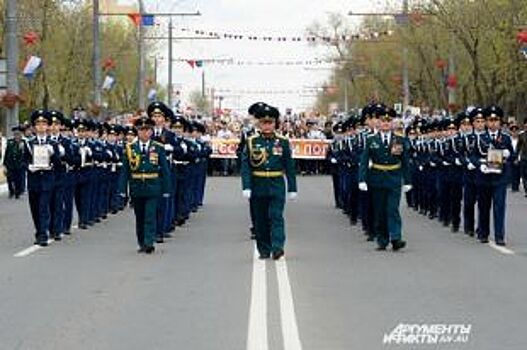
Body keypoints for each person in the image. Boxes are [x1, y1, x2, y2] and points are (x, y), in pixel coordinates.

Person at [241, 103, 297, 260]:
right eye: (264, 123)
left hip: (276, 183)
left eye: (270, 122)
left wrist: (292, 188)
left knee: (276, 215)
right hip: (258, 183)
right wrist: (246, 186)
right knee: (260, 219)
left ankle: (278, 246)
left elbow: (289, 166)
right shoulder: (251, 141)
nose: (267, 126)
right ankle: (264, 248)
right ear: (259, 124)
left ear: (275, 124)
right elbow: (246, 165)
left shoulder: (283, 142)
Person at [358, 105, 411, 251]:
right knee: (380, 210)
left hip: (394, 178)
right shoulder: (371, 140)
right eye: (383, 121)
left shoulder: (400, 140)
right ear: (379, 123)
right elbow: (364, 161)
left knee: (392, 209)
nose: (386, 123)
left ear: (392, 123)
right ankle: (382, 239)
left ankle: (396, 238)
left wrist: (408, 181)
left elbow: (405, 161)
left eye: (389, 121)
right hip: (377, 177)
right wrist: (362, 179)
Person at [119, 116, 171, 254]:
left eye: (147, 130)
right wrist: (122, 189)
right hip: (136, 187)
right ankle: (141, 242)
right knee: (139, 216)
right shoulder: (130, 148)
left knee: (150, 215)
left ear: (152, 131)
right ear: (137, 131)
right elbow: (125, 171)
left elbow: (165, 169)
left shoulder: (158, 148)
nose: (144, 133)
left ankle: (149, 242)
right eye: (141, 130)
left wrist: (166, 188)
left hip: (153, 186)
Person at [473, 105, 514, 246]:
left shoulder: (506, 138)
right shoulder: (479, 138)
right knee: (484, 206)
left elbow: (513, 155)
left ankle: (499, 236)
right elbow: (473, 156)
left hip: (500, 177)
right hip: (484, 176)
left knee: (499, 206)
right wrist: (480, 165)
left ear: (500, 121)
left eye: (496, 120)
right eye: (490, 120)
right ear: (486, 121)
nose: (493, 123)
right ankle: (483, 234)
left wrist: (508, 154)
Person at [3, 126, 28, 199]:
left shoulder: (24, 143)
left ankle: (17, 193)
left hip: (19, 165)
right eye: (15, 134)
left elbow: (25, 154)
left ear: (21, 135)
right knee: (10, 179)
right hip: (10, 164)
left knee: (18, 180)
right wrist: (4, 165)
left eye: (18, 134)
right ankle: (11, 191)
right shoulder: (10, 142)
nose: (17, 136)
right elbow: (6, 153)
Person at [517, 118, 527, 197]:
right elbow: (518, 147)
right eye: (526, 123)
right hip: (524, 157)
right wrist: (516, 156)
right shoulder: (521, 135)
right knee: (524, 175)